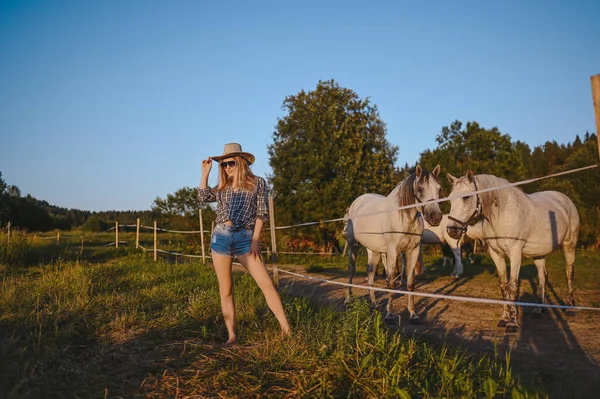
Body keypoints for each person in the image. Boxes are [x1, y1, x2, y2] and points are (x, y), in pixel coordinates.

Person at [198, 143, 291, 345]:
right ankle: (231, 335)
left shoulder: (258, 183)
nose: (227, 168)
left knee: (266, 284)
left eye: (230, 163)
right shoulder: (223, 185)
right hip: (221, 237)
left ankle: (286, 329)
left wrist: (256, 239)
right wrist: (205, 173)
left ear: (241, 162)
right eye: (223, 165)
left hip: (245, 238)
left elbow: (262, 213)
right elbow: (203, 197)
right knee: (226, 289)